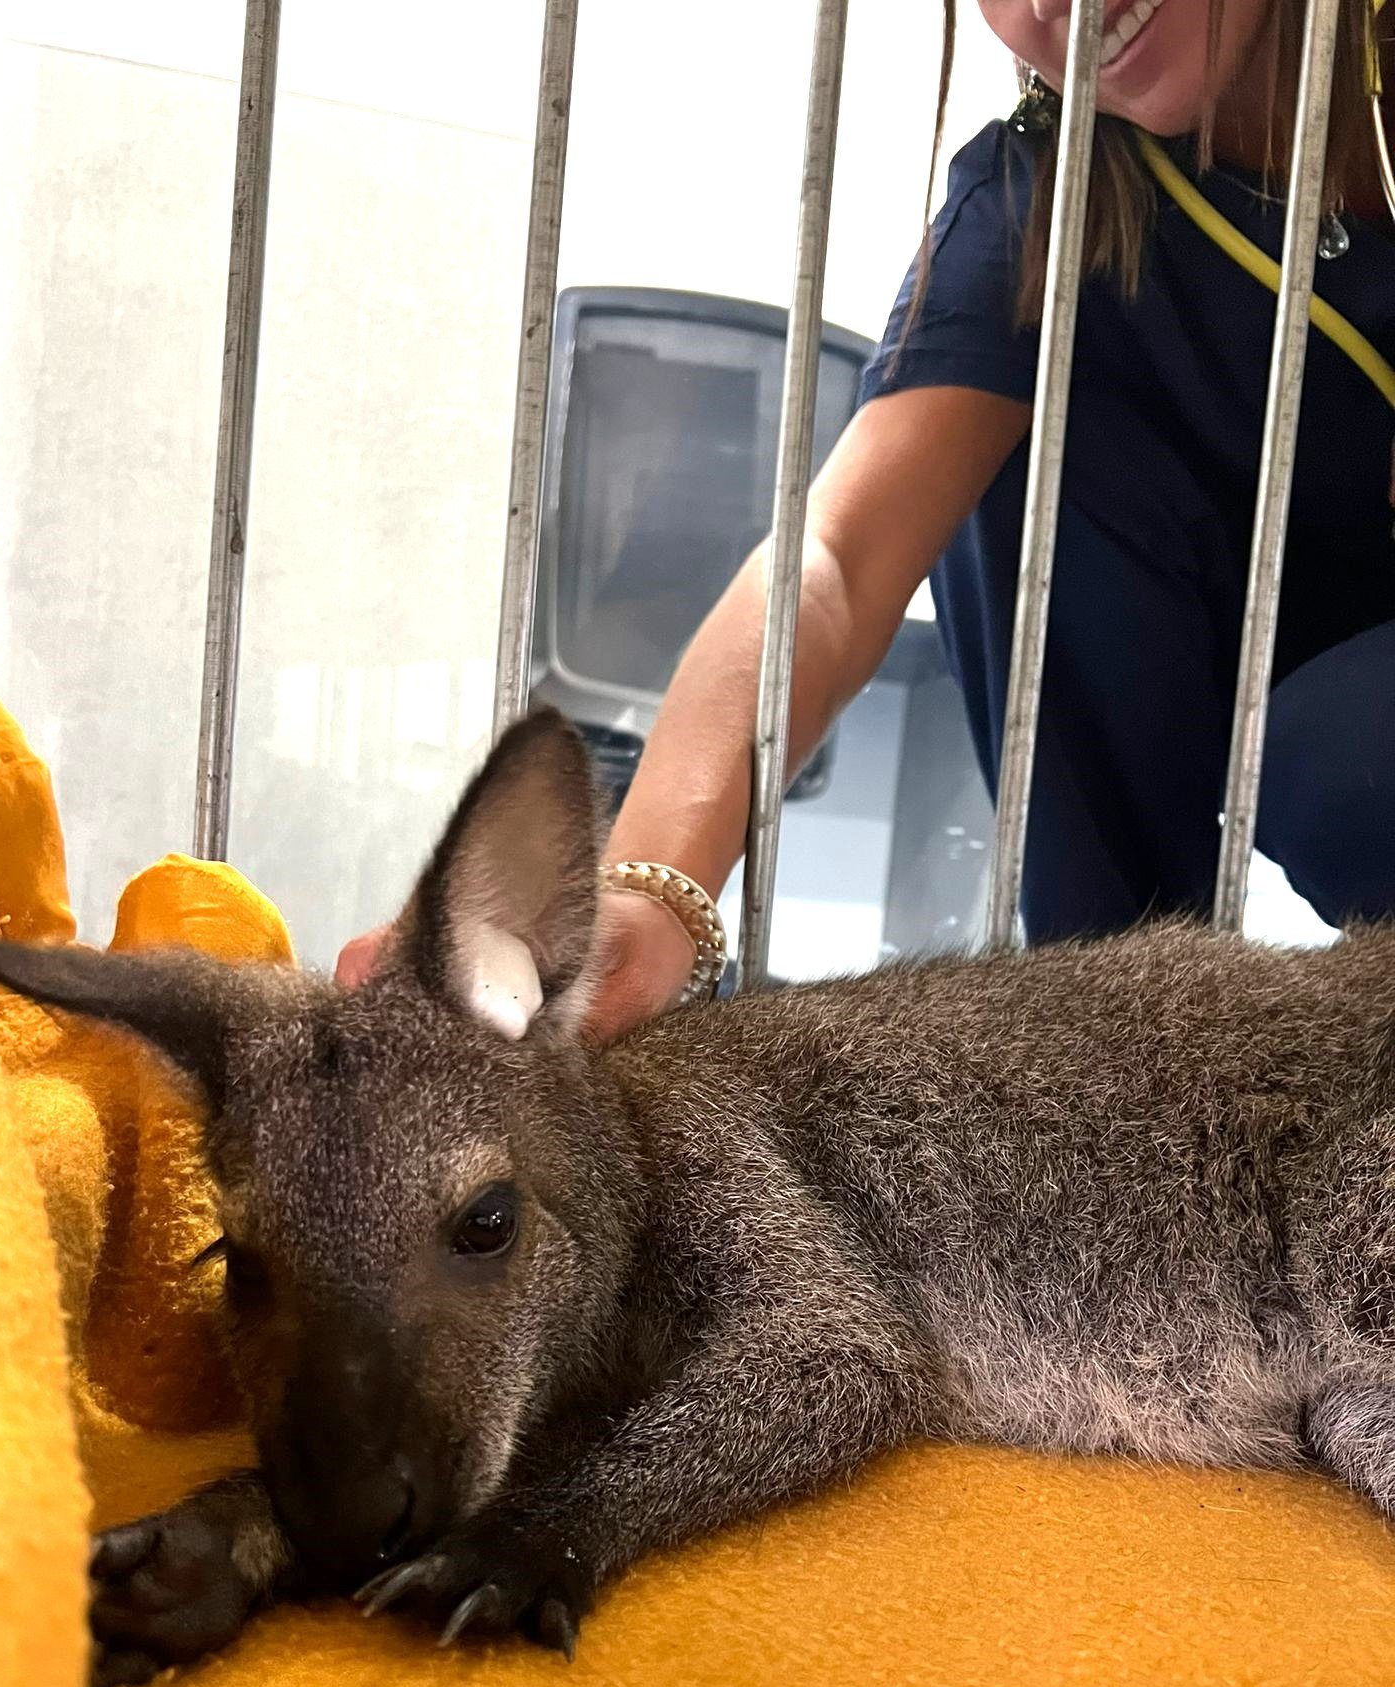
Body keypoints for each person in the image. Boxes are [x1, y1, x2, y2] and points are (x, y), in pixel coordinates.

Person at [341, 0, 1395, 1042]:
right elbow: (835, 560)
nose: (1047, 6)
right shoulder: (1035, 210)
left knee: (1340, 747)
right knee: (1025, 433)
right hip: (1316, 769)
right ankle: (1143, 1048)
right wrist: (651, 893)